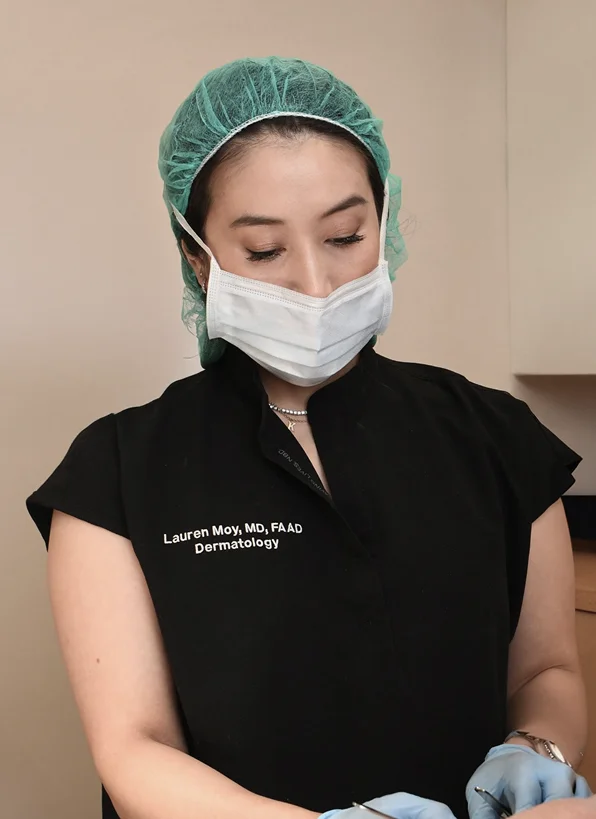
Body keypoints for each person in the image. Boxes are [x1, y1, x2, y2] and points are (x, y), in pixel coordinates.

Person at [26, 57, 591, 819]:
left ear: (382, 224)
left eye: (345, 235)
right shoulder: (118, 471)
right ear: (199, 257)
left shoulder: (495, 437)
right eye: (264, 251)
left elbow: (548, 670)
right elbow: (134, 747)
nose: (316, 284)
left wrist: (538, 747)